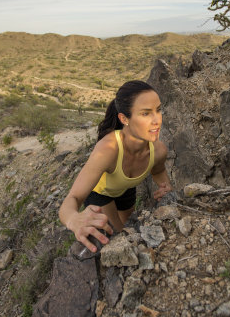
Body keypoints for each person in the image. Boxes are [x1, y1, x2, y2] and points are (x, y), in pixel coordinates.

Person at [59, 80, 172, 254]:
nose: (157, 120)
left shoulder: (158, 151)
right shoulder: (108, 150)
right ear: (124, 118)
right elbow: (72, 198)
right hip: (100, 193)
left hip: (125, 188)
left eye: (158, 110)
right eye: (145, 114)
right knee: (120, 234)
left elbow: (158, 171)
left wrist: (164, 187)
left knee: (131, 224)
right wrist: (73, 219)